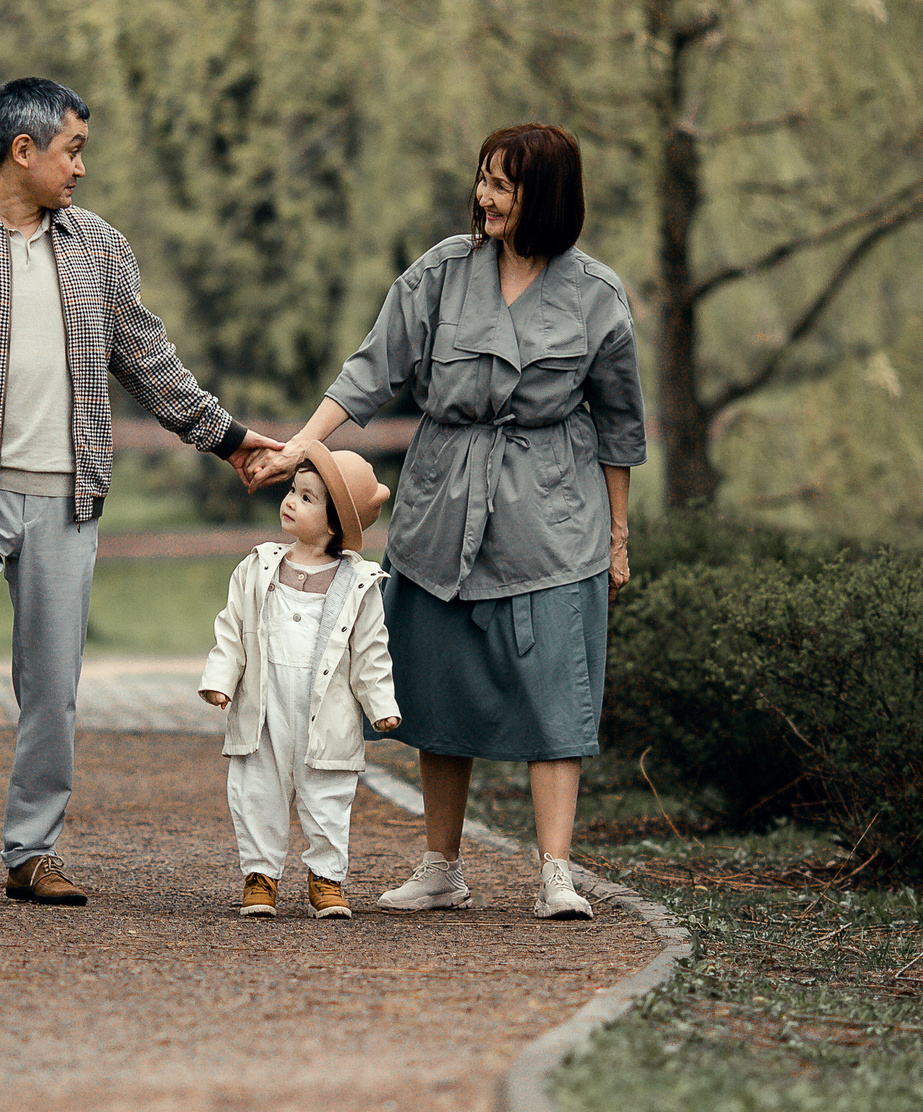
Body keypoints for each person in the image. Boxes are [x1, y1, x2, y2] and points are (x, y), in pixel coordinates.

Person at [0, 77, 282, 909]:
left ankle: (32, 851)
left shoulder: (98, 249)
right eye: (73, 149)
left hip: (66, 495)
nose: (81, 167)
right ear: (24, 151)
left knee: (52, 682)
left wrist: (228, 440)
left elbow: (149, 361)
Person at [251, 122, 644, 920]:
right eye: (483, 181)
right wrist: (300, 444)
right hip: (442, 504)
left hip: (553, 514)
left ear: (548, 196)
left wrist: (618, 535)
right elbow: (371, 372)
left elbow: (619, 428)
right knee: (439, 679)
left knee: (555, 691)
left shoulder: (596, 296)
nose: (485, 198)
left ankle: (555, 873)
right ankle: (442, 866)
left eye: (503, 184)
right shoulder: (441, 274)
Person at [199, 443, 402, 919]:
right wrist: (221, 678)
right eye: (293, 490)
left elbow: (371, 650)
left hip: (325, 710)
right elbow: (234, 627)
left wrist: (381, 703)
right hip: (266, 706)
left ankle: (326, 879)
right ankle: (260, 875)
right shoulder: (259, 567)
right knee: (256, 789)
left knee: (328, 791)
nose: (290, 500)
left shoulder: (358, 583)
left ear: (334, 523)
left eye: (308, 498)